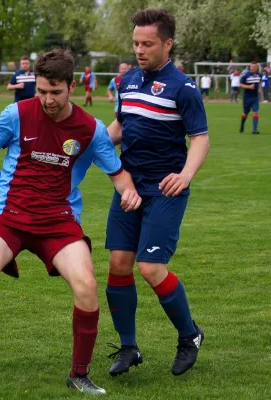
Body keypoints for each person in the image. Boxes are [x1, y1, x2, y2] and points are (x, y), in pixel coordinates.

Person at [0, 49, 142, 395]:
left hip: (58, 220)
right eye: (42, 91)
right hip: (9, 213)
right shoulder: (16, 114)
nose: (48, 100)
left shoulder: (90, 129)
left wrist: (130, 193)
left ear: (71, 87)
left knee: (87, 286)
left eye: (55, 92)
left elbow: (118, 173)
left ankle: (79, 374)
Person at [105, 8, 209, 378]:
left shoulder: (183, 87)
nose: (139, 49)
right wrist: (90, 143)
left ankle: (189, 335)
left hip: (165, 189)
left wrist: (185, 174)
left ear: (167, 43)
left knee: (149, 266)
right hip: (129, 188)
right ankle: (129, 346)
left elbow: (199, 137)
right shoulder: (128, 81)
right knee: (118, 264)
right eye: (135, 42)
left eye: (147, 43)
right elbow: (120, 124)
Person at [239, 61, 262, 134]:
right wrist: (249, 86)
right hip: (247, 98)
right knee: (245, 113)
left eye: (254, 67)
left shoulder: (259, 75)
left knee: (255, 112)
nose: (252, 68)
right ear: (250, 67)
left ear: (257, 68)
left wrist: (259, 88)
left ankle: (254, 130)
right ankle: (242, 126)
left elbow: (260, 82)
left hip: (255, 97)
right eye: (251, 67)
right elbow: (240, 85)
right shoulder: (246, 75)